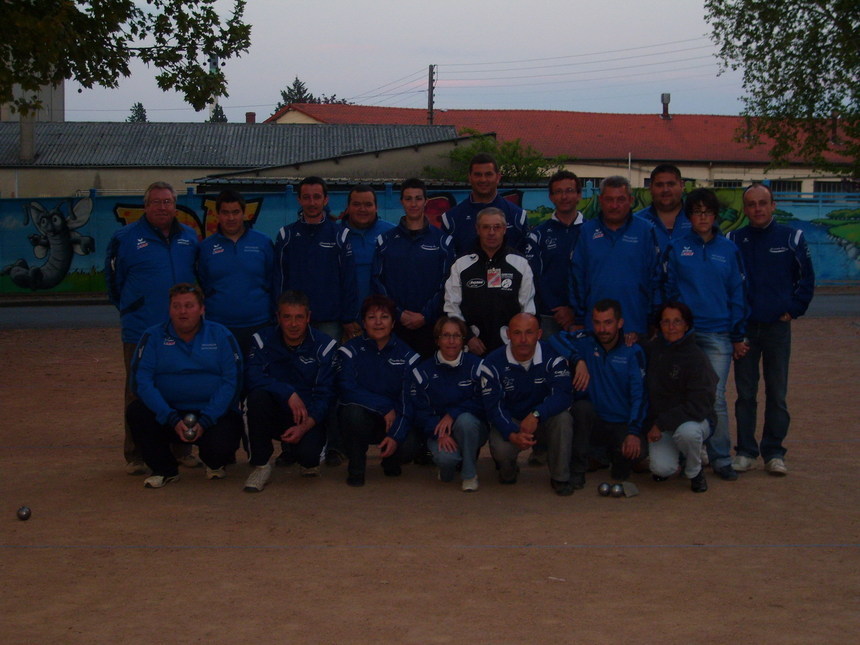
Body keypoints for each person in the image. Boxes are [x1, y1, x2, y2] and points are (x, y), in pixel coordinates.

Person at [105, 181, 199, 475]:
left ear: (175, 205)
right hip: (141, 330)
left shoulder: (190, 238)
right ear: (145, 206)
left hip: (183, 329)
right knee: (138, 392)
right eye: (156, 202)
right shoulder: (125, 238)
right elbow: (114, 285)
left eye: (168, 202)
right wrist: (134, 309)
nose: (162, 207)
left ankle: (182, 449)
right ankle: (137, 455)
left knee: (182, 388)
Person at [727, 183, 815, 476]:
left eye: (763, 203)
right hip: (746, 329)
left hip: (778, 328)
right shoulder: (733, 239)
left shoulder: (792, 237)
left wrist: (794, 309)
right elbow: (728, 283)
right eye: (751, 204)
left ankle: (774, 452)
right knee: (745, 394)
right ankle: (745, 451)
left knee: (777, 393)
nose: (757, 209)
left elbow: (806, 279)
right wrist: (735, 325)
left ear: (773, 205)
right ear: (745, 208)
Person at [664, 187, 747, 481]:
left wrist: (738, 334)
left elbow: (737, 293)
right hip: (684, 335)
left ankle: (721, 456)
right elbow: (670, 289)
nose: (703, 217)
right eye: (697, 212)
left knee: (716, 397)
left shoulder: (728, 250)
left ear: (715, 216)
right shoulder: (678, 247)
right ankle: (688, 451)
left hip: (718, 334)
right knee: (678, 392)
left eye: (708, 212)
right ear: (689, 216)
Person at [126, 283, 243, 488]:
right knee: (137, 411)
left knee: (224, 441)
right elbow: (141, 382)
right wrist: (169, 416)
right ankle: (164, 470)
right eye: (176, 306)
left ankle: (215, 463)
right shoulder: (152, 337)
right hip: (169, 412)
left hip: (210, 414)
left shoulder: (221, 335)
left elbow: (232, 380)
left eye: (189, 305)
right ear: (169, 309)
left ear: (202, 309)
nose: (182, 311)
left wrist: (206, 419)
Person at [242, 291, 338, 493]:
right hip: (274, 412)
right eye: (287, 317)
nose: (293, 324)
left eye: (299, 317)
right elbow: (252, 376)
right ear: (278, 317)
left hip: (307, 416)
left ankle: (303, 453)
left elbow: (325, 396)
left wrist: (304, 427)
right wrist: (287, 393)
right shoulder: (262, 340)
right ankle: (261, 466)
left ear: (309, 317)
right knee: (256, 397)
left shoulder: (325, 346)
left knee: (309, 458)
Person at [550, 299, 647, 486]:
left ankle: (608, 456)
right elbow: (555, 339)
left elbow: (639, 396)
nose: (602, 329)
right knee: (581, 408)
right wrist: (578, 360)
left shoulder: (633, 351)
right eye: (597, 322)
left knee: (634, 456)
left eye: (608, 322)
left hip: (621, 423)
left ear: (620, 323)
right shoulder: (586, 341)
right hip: (595, 422)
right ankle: (578, 469)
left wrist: (633, 432)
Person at [481, 313, 575, 495]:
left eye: (529, 333)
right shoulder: (492, 363)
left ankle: (560, 477)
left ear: (539, 334)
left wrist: (537, 415)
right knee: (501, 449)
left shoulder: (554, 357)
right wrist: (511, 433)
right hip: (512, 420)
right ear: (508, 334)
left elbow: (563, 395)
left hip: (542, 419)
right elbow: (493, 407)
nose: (523, 340)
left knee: (563, 419)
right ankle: (508, 470)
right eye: (517, 333)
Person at [337, 295, 421, 487]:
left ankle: (390, 459)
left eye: (384, 317)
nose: (378, 322)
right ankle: (356, 468)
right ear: (363, 322)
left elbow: (408, 403)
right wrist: (383, 406)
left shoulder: (409, 356)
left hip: (393, 419)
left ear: (393, 323)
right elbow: (346, 388)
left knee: (409, 445)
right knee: (352, 412)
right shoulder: (349, 350)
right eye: (371, 317)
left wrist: (395, 435)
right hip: (364, 418)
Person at [570, 175, 661, 345]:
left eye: (620, 199)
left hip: (636, 324)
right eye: (609, 200)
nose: (614, 205)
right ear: (600, 200)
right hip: (595, 327)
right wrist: (579, 317)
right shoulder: (586, 232)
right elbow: (576, 278)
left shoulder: (645, 231)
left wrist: (653, 318)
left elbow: (655, 278)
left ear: (631, 200)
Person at [372, 178, 454, 358]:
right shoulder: (384, 241)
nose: (413, 204)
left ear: (425, 201)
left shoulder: (442, 241)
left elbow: (448, 284)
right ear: (401, 202)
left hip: (430, 326)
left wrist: (425, 315)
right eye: (408, 199)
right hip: (396, 326)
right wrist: (398, 313)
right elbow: (377, 281)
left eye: (418, 198)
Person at [272, 176, 360, 343]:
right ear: (299, 200)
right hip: (295, 319)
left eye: (317, 197)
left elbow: (348, 279)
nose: (312, 203)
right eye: (306, 197)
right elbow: (279, 279)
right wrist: (278, 313)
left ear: (325, 199)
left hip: (330, 319)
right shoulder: (286, 235)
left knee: (327, 366)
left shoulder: (340, 235)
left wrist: (348, 317)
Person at [643, 302, 718, 493]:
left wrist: (660, 423)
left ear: (686, 325)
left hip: (695, 420)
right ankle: (679, 457)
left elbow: (699, 404)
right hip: (663, 423)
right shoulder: (652, 350)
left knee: (688, 433)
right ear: (659, 325)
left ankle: (694, 471)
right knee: (661, 468)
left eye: (677, 321)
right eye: (666, 322)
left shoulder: (697, 357)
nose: (671, 327)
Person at [443, 207, 535, 356]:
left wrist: (515, 339)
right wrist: (468, 338)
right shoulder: (461, 264)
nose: (491, 232)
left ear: (504, 229)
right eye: (486, 227)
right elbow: (451, 308)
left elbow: (528, 310)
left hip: (509, 347)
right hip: (471, 349)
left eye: (497, 227)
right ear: (477, 229)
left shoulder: (520, 264)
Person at [410, 316, 488, 492]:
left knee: (466, 420)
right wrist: (439, 434)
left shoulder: (478, 366)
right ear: (437, 340)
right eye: (446, 335)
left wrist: (453, 414)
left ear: (463, 340)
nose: (451, 341)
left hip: (470, 428)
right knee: (448, 462)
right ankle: (446, 467)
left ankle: (469, 474)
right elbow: (420, 410)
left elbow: (484, 401)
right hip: (438, 430)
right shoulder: (423, 371)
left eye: (456, 336)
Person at [197, 189, 274, 356]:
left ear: (244, 213)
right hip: (219, 325)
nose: (231, 218)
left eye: (235, 212)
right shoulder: (205, 248)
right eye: (225, 213)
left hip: (259, 324)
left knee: (257, 378)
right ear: (217, 214)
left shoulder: (263, 243)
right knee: (226, 377)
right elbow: (203, 283)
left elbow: (272, 279)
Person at [526, 169, 583, 338]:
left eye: (569, 191)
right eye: (558, 192)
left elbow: (596, 276)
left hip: (583, 317)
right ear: (550, 197)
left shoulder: (592, 232)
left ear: (579, 195)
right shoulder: (538, 235)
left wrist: (574, 309)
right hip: (549, 316)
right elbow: (534, 277)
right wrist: (558, 308)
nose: (564, 197)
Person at [441, 153, 529, 256]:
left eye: (488, 174)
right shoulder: (451, 219)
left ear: (498, 177)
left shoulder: (517, 216)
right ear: (469, 177)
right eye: (478, 175)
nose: (483, 179)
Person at [340, 184, 395, 308]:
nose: (362, 209)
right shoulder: (336, 234)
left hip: (383, 317)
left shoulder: (391, 233)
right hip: (344, 317)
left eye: (368, 204)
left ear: (376, 207)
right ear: (348, 207)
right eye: (356, 204)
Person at [634, 163, 692, 253]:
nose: (665, 190)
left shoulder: (699, 220)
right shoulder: (636, 222)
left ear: (681, 185)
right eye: (659, 185)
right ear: (650, 188)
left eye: (671, 184)